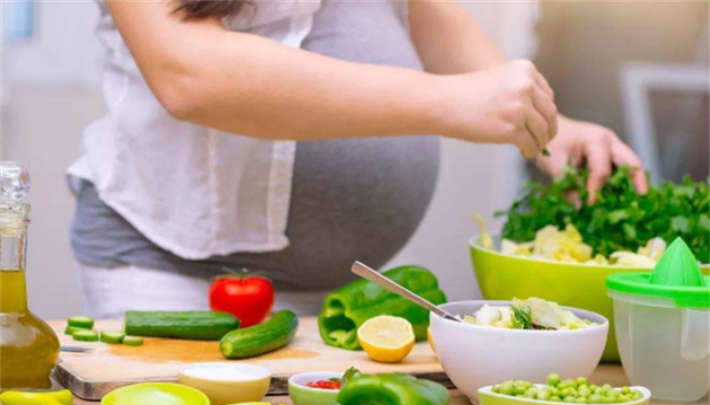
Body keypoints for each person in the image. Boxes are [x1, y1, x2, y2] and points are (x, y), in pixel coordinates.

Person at [69, 0, 648, 317]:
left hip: (346, 298)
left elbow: (420, 10)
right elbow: (187, 72)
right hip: (180, 282)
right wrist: (449, 101)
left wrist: (546, 126)